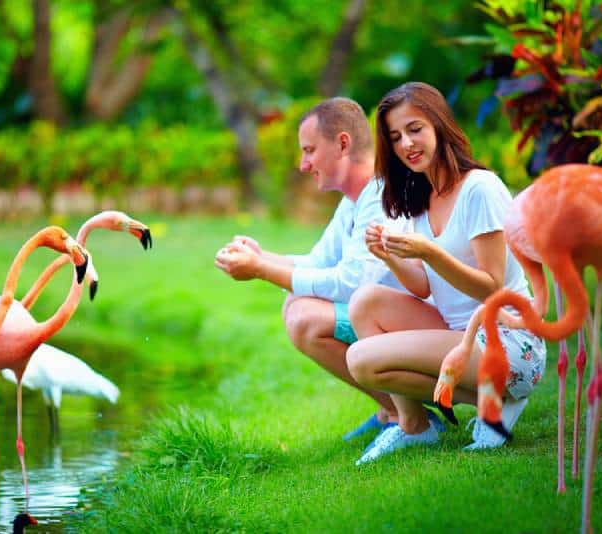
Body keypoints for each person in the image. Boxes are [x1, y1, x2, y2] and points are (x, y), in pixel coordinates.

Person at [214, 97, 440, 442]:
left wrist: (260, 269)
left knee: (305, 317)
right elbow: (319, 262)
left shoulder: (382, 197)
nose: (303, 164)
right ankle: (393, 411)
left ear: (343, 143)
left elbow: (350, 283)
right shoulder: (355, 200)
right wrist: (263, 257)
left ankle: (411, 418)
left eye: (309, 150)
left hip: (429, 328)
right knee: (296, 304)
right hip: (395, 319)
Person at [345, 82, 546, 465]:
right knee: (365, 303)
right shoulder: (422, 198)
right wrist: (389, 255)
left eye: (414, 129)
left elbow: (492, 287)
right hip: (458, 335)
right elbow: (422, 286)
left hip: (507, 340)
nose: (406, 144)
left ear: (438, 125)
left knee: (361, 360)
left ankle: (498, 401)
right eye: (395, 137)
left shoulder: (479, 190)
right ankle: (415, 427)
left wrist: (430, 252)